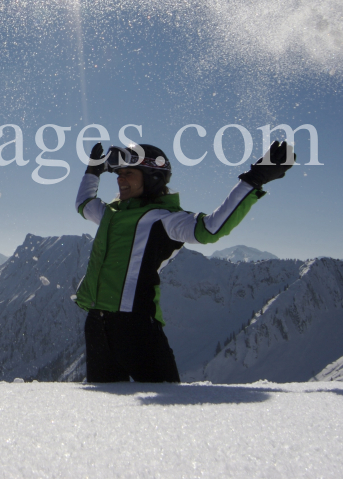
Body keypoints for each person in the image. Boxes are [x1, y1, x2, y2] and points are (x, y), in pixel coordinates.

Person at [74, 140, 295, 383]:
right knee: (107, 407)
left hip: (137, 328)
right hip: (96, 324)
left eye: (128, 173)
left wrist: (253, 180)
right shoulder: (110, 215)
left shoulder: (164, 220)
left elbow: (210, 229)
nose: (120, 179)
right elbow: (84, 203)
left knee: (168, 410)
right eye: (118, 174)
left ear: (151, 177)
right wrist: (92, 171)